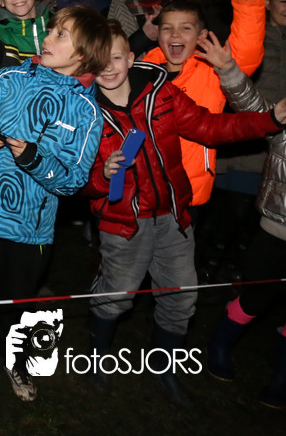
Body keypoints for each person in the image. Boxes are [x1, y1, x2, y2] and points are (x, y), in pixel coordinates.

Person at [83, 22, 284, 405]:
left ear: (131, 58)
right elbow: (77, 181)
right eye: (98, 59)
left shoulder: (161, 92)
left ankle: (164, 369)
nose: (108, 67)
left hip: (173, 216)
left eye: (116, 57)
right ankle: (96, 359)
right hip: (123, 223)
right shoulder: (84, 110)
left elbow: (211, 127)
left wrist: (271, 119)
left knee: (180, 298)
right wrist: (102, 174)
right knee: (116, 296)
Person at [0, 6, 111, 406]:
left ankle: (16, 363)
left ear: (83, 54)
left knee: (19, 306)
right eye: (51, 30)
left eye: (61, 34)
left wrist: (33, 158)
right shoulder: (9, 78)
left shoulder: (86, 113)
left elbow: (73, 180)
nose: (48, 38)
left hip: (30, 230)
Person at [203, 33, 286, 408]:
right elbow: (256, 107)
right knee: (255, 295)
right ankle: (219, 346)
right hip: (276, 231)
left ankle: (282, 377)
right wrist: (228, 69)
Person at [141, 0, 265, 208]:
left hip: (188, 189)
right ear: (159, 34)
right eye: (167, 28)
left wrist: (248, 0)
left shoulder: (210, 72)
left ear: (201, 36)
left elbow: (246, 52)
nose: (175, 35)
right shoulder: (143, 70)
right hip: (142, 186)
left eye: (185, 28)